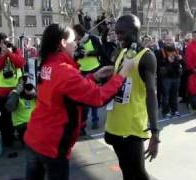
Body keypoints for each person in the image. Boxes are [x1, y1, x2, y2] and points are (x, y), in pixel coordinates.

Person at [24, 23, 133, 180]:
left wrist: (93, 77)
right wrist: (122, 74)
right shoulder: (65, 71)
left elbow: (65, 91)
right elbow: (98, 97)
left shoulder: (48, 64)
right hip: (52, 145)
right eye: (74, 40)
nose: (77, 44)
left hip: (34, 138)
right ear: (63, 43)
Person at [104, 14, 160, 180]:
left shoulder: (146, 56)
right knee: (126, 170)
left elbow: (151, 93)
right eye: (116, 32)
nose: (118, 36)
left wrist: (155, 133)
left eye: (121, 33)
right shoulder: (123, 52)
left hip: (132, 128)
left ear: (134, 31)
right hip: (114, 125)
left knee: (139, 173)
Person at [0, 32, 25, 147]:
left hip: (15, 88)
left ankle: (19, 134)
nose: (5, 43)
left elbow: (20, 63)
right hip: (2, 90)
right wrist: (2, 55)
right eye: (2, 41)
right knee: (5, 117)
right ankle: (7, 139)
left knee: (17, 114)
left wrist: (9, 53)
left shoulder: (15, 50)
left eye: (7, 40)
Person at [73, 24, 107, 130]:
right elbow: (73, 57)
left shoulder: (92, 38)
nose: (74, 36)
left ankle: (95, 119)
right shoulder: (75, 43)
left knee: (93, 95)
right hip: (81, 71)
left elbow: (101, 51)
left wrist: (89, 53)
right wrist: (77, 54)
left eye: (75, 34)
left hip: (94, 70)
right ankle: (82, 122)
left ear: (79, 33)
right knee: (83, 98)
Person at [156, 35, 182, 117]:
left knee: (174, 95)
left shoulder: (177, 50)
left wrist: (181, 59)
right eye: (167, 40)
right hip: (166, 77)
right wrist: (167, 60)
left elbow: (182, 63)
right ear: (164, 41)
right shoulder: (160, 51)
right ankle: (165, 111)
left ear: (173, 41)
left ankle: (175, 110)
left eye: (170, 40)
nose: (169, 41)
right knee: (165, 96)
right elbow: (157, 64)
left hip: (176, 76)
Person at [5, 75, 36, 144]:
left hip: (35, 122)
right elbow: (9, 107)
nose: (27, 87)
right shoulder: (16, 94)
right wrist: (17, 92)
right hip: (22, 124)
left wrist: (35, 94)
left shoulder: (34, 94)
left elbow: (46, 104)